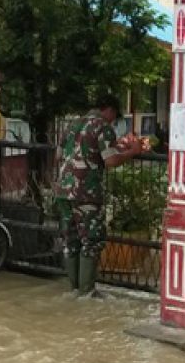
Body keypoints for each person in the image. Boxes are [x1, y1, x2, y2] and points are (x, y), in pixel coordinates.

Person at [55, 94, 146, 297]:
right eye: (115, 116)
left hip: (63, 191)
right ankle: (87, 293)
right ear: (110, 110)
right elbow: (111, 160)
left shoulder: (72, 124)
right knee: (91, 241)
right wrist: (133, 151)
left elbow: (58, 155)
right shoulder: (102, 126)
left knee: (71, 240)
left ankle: (75, 290)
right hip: (86, 193)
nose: (113, 121)